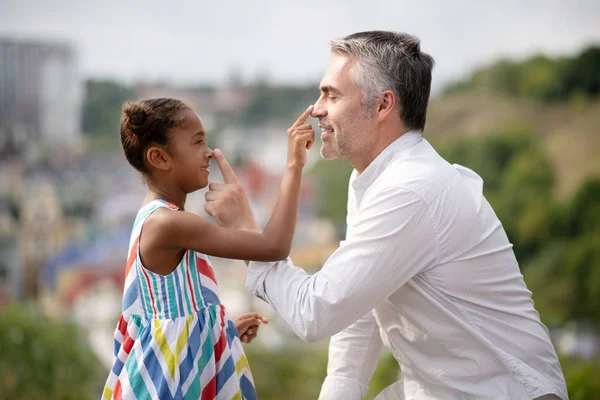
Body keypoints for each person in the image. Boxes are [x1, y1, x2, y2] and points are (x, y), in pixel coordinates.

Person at [204, 31, 568, 399]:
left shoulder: (408, 190)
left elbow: (315, 311)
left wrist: (246, 233)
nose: (316, 109)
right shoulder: (372, 178)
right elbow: (358, 309)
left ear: (382, 106)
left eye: (331, 94)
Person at [102, 98, 314, 399]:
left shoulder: (160, 219)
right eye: (198, 142)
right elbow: (274, 246)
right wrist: (294, 164)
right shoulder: (169, 224)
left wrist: (218, 332)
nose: (210, 153)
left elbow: (171, 318)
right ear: (160, 158)